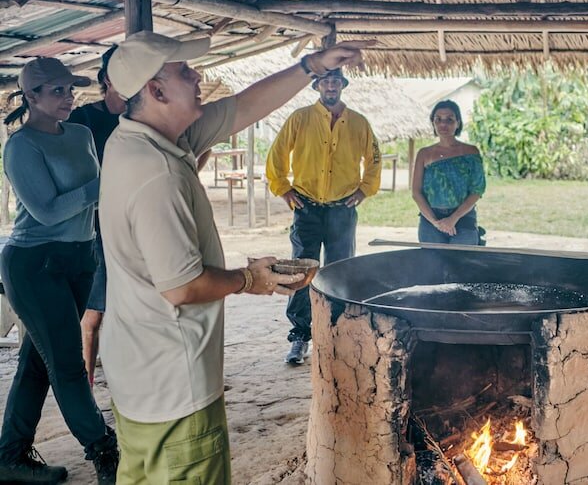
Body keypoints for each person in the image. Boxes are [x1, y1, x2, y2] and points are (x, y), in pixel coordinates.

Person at [99, 30, 372, 484]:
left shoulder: (138, 140)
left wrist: (311, 66)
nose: (197, 75)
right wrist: (250, 279)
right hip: (175, 382)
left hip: (140, 372)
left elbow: (243, 108)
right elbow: (181, 286)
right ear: (157, 90)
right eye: (184, 71)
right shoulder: (157, 172)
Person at [0, 57, 119, 484]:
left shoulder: (81, 134)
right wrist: (105, 184)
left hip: (80, 258)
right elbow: (47, 211)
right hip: (35, 264)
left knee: (37, 362)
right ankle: (105, 451)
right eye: (57, 91)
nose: (69, 97)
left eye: (70, 89)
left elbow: (97, 199)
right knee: (67, 365)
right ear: (31, 96)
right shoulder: (21, 146)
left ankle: (11, 457)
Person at [265, 66, 382, 366]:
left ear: (342, 85)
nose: (331, 86)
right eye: (326, 81)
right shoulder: (300, 118)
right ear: (317, 85)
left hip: (342, 208)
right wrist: (284, 189)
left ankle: (338, 332)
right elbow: (277, 154)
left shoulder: (358, 123)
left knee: (340, 269)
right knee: (302, 269)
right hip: (306, 207)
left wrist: (364, 189)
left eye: (336, 81)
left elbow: (374, 159)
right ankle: (300, 335)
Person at [67, 46, 126, 386]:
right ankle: (86, 388)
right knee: (94, 313)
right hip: (96, 227)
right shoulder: (83, 121)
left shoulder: (142, 118)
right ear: (106, 79)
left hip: (132, 223)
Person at [411, 100, 486, 245]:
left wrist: (453, 219)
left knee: (463, 259)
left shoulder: (471, 152)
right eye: (438, 119)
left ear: (458, 123)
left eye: (449, 120)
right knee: (432, 260)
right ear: (433, 123)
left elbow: (477, 190)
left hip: (463, 217)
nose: (443, 124)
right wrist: (435, 222)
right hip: (431, 221)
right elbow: (416, 192)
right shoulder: (424, 154)